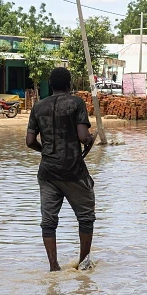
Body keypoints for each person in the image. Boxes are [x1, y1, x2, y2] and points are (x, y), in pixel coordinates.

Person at [25, 67, 97, 271]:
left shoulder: (38, 107)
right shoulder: (76, 103)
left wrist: (45, 151)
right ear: (69, 84)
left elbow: (30, 141)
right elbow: (83, 136)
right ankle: (84, 264)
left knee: (48, 222)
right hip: (73, 171)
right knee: (85, 218)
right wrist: (90, 139)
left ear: (51, 84)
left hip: (47, 173)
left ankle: (54, 267)